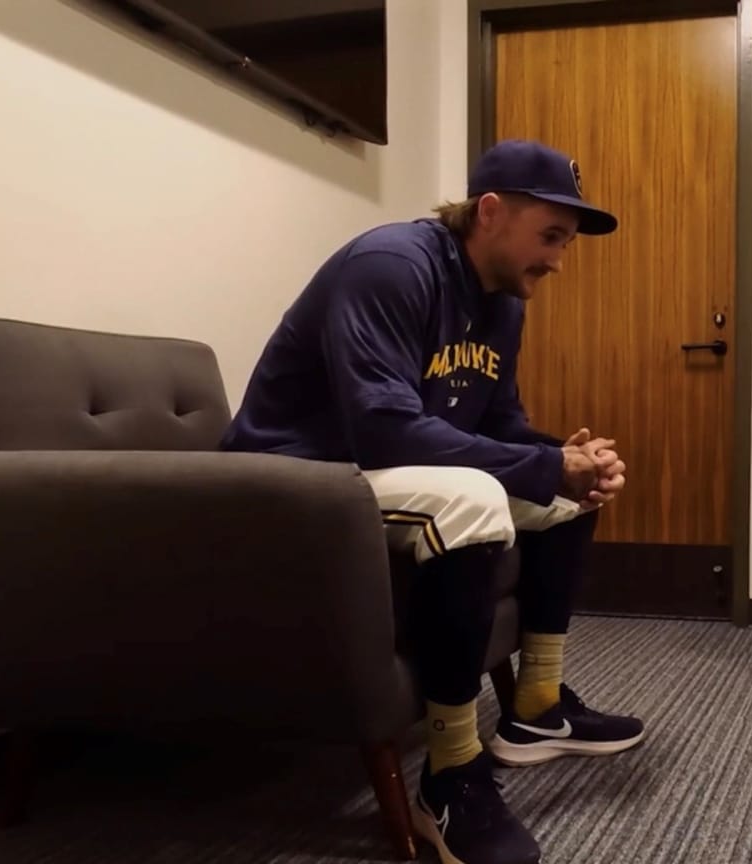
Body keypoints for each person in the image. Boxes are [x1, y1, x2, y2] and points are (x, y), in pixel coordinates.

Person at [220, 139, 644, 864]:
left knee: (565, 498)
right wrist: (541, 465)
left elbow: (496, 424)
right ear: (489, 212)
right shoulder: (391, 267)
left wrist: (567, 460)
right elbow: (382, 430)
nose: (558, 261)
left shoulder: (502, 301)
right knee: (479, 495)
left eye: (566, 244)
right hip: (290, 479)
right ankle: (450, 776)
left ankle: (536, 710)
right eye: (550, 237)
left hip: (373, 470)